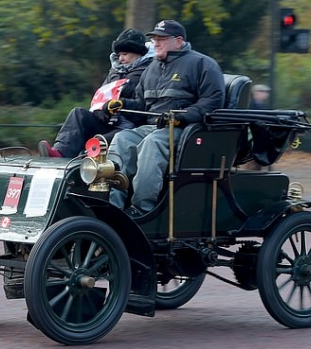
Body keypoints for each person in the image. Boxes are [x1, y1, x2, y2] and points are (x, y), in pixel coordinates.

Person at [106, 19, 226, 217]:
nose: (156, 43)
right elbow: (142, 104)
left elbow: (212, 102)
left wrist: (181, 117)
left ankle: (142, 209)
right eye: (154, 39)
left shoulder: (202, 64)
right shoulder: (151, 68)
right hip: (154, 127)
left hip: (188, 131)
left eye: (162, 39)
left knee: (153, 143)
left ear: (178, 41)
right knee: (122, 139)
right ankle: (112, 207)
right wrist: (124, 105)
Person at [38, 28, 154, 158]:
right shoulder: (115, 71)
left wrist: (122, 104)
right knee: (78, 114)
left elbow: (143, 105)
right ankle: (59, 152)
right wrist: (100, 111)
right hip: (108, 120)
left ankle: (81, 167)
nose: (121, 58)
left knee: (96, 143)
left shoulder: (149, 72)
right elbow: (101, 96)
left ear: (138, 53)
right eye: (119, 54)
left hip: (129, 126)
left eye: (125, 54)